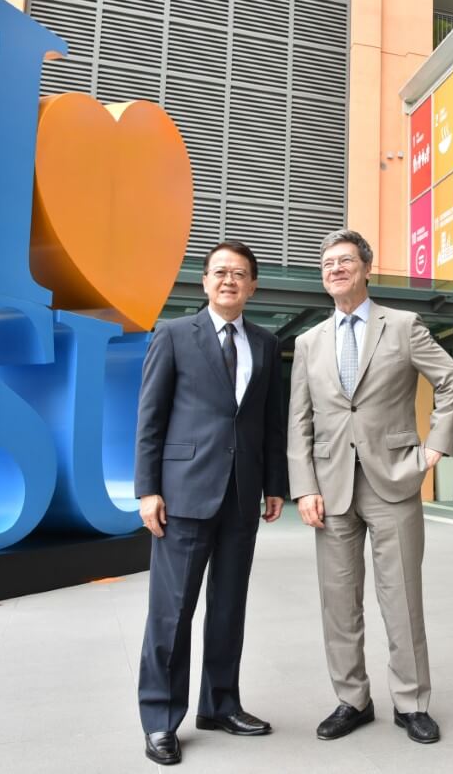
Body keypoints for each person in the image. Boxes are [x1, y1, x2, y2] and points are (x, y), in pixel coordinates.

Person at [288, 229, 453, 746]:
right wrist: (304, 487)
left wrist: (435, 447)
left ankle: (411, 703)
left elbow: (452, 380)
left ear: (367, 268)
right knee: (338, 600)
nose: (336, 269)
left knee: (402, 597)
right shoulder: (308, 342)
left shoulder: (404, 326)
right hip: (331, 487)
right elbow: (300, 420)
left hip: (395, 480)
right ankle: (353, 700)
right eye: (327, 264)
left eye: (345, 260)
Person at [134, 241, 288, 766]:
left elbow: (270, 422)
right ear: (204, 282)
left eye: (240, 274)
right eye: (220, 272)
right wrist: (146, 489)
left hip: (242, 496)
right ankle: (160, 719)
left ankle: (220, 704)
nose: (229, 281)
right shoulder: (174, 335)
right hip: (182, 496)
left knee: (228, 609)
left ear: (252, 286)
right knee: (172, 612)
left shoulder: (266, 344)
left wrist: (274, 484)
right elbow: (149, 419)